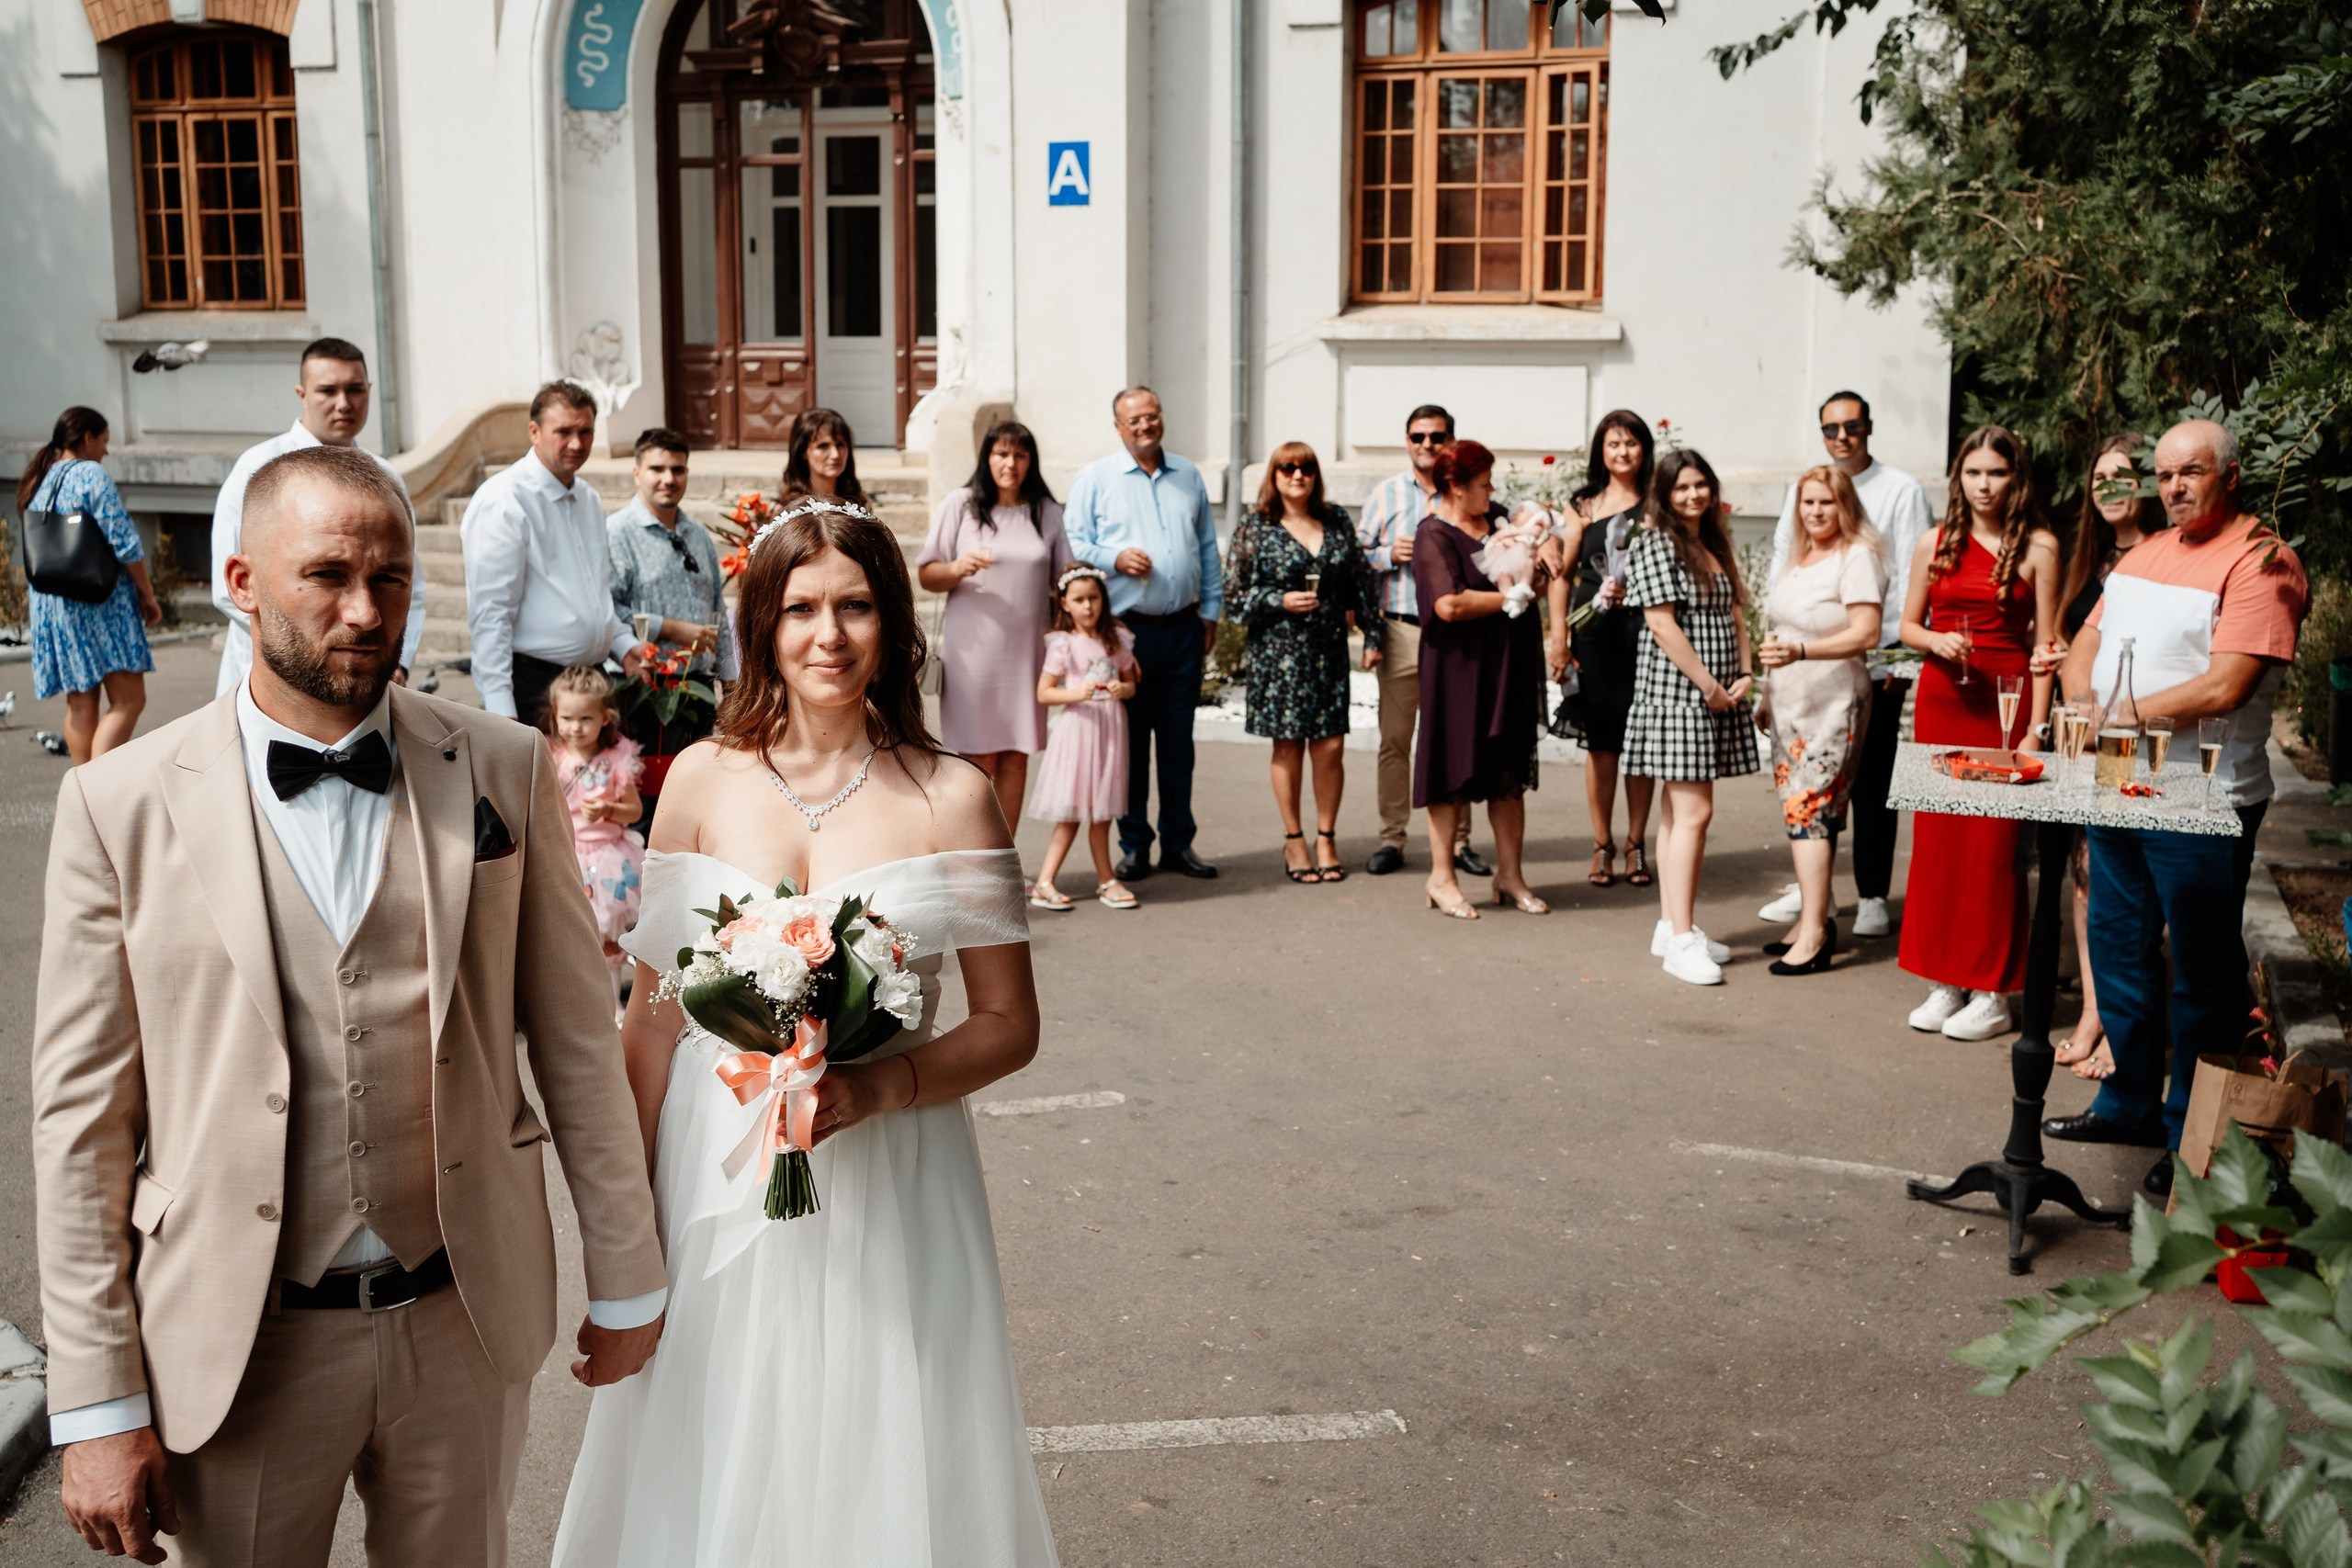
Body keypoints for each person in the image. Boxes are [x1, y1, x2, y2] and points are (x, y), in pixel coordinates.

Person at [34, 445, 666, 1568]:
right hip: (236, 1341)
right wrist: (93, 1401)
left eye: (391, 580)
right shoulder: (115, 803)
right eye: (327, 576)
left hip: (459, 1317)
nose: (366, 611)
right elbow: (81, 1126)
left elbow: (576, 1045)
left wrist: (627, 1280)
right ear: (241, 584)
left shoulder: (504, 765)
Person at [552, 497, 1057, 1567]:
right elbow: (648, 1013)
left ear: (896, 628)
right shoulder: (694, 779)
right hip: (714, 1166)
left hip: (890, 1172)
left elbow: (1011, 1026)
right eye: (800, 609)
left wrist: (878, 1089)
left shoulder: (955, 797)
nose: (828, 636)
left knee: (881, 1435)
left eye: (857, 607)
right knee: (715, 1421)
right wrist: (621, 1238)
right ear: (760, 626)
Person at [2045, 419, 2308, 1199]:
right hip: (2119, 780)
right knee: (2120, 947)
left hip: (2202, 794)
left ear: (2230, 473)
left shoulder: (2264, 559)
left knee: (2201, 975)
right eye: (2163, 475)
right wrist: (2083, 701)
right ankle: (2127, 1102)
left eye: (2190, 471)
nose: (2174, 487)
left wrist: (2120, 713)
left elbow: (2227, 685)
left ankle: (2193, 1129)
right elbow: (2082, 646)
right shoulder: (2145, 554)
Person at [1895, 425, 2062, 1041]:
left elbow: (2044, 645)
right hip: (1943, 699)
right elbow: (1909, 626)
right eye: (1973, 473)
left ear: (2015, 479)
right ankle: (1945, 980)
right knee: (1939, 845)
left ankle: (1992, 991)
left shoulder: (2040, 545)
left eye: (1996, 473)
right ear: (1957, 478)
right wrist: (1935, 638)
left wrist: (2036, 732)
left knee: (1992, 852)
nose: (1984, 484)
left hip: (2007, 703)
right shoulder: (1932, 542)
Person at [1759, 392, 1937, 938]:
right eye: (1831, 428)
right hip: (1798, 675)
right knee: (1815, 795)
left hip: (1870, 662)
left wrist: (1895, 661)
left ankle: (1873, 893)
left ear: (1868, 428)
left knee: (1870, 783)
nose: (1843, 436)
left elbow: (1911, 575)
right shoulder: (1804, 491)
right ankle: (1819, 897)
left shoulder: (1899, 490)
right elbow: (1781, 567)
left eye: (1852, 426)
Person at [1064, 386, 1224, 881]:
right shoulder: (1096, 478)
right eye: (1133, 420)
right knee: (1129, 744)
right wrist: (1114, 558)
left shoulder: (1188, 474)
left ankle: (1179, 843)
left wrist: (1212, 612)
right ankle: (1134, 846)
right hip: (1125, 634)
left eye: (1151, 416)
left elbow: (1206, 546)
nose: (1144, 426)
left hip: (1183, 628)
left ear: (1162, 418)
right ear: (1118, 427)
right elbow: (1074, 543)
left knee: (1179, 743)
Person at [2045, 432, 2166, 1080]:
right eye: (2101, 480)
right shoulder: (2089, 555)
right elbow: (2076, 642)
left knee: (2125, 887)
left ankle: (2123, 1028)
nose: (2111, 491)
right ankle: (2094, 1011)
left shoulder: (2162, 555)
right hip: (2083, 739)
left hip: (2137, 741)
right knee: (2085, 879)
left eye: (2125, 478)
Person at [212, 337, 422, 696]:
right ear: (302, 393)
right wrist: (313, 650)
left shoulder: (385, 476)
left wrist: (398, 660)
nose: (344, 404)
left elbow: (407, 579)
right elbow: (227, 588)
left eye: (355, 390)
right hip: (274, 683)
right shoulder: (257, 467)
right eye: (328, 390)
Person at [1623, 449, 1759, 985]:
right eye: (1680, 487)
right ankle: (1681, 939)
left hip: (1715, 693)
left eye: (1700, 484)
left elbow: (1735, 614)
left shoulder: (1711, 542)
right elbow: (1661, 624)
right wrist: (1708, 686)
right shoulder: (1656, 543)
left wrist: (1744, 674)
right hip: (1680, 695)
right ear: (1663, 493)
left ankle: (1670, 925)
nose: (1692, 495)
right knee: (1695, 814)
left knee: (1677, 815)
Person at [1227, 442, 1382, 884]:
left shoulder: (1335, 519)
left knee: (1331, 746)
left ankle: (1326, 836)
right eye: (1287, 468)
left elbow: (1361, 581)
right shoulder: (1256, 525)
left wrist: (1372, 634)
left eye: (1306, 468)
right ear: (1274, 476)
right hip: (1279, 654)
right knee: (1289, 746)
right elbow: (1234, 596)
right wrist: (1279, 599)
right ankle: (1294, 838)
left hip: (1328, 647)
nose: (1297, 475)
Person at [1755, 466, 1888, 975]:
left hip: (1833, 701)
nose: (1815, 512)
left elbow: (1867, 632)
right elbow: (1781, 632)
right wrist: (1769, 690)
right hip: (1790, 700)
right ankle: (1813, 916)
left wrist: (1803, 651)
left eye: (1826, 502)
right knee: (1801, 810)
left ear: (1845, 505)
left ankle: (1815, 933)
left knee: (1811, 809)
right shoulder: (1800, 556)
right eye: (1808, 502)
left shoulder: (1857, 556)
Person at [1412, 440, 1548, 920]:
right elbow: (1447, 604)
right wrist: (1514, 599)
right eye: (1484, 483)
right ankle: (1442, 877)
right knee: (1450, 774)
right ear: (1455, 485)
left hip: (1507, 663)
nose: (1493, 490)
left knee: (1508, 774)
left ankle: (1509, 876)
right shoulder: (1433, 534)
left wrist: (1539, 573)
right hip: (1458, 669)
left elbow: (1534, 563)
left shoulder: (1500, 520)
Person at [916, 418, 1073, 829]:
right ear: (987, 457)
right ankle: (972, 860)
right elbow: (928, 574)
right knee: (976, 759)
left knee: (1016, 758)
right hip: (973, 654)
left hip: (1026, 655)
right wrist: (957, 567)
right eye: (1002, 453)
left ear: (1031, 461)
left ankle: (1006, 862)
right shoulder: (962, 504)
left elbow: (1067, 581)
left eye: (1020, 455)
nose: (1011, 463)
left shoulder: (1046, 511)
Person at [462, 380, 647, 723]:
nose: (577, 443)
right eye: (564, 431)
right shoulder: (503, 500)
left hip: (592, 681)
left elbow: (594, 592)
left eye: (586, 432)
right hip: (533, 686)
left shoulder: (589, 498)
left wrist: (623, 645)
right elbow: (491, 613)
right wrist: (502, 711)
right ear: (534, 431)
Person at [1355, 403, 1480, 876]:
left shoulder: (1466, 492)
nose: (1427, 445)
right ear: (1406, 441)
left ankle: (1461, 843)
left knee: (1456, 739)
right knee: (1396, 739)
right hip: (1403, 628)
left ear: (1451, 440)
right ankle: (1393, 839)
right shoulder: (1385, 495)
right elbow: (1355, 557)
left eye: (1436, 436)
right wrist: (1388, 553)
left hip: (1457, 632)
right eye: (1418, 437)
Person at [15, 407, 160, 763]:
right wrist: (148, 594)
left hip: (54, 603)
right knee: (129, 700)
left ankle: (82, 795)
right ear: (87, 438)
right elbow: (125, 544)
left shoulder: (40, 478)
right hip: (99, 601)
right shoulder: (91, 475)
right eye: (105, 441)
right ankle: (98, 791)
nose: (106, 451)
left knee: (81, 704)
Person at [1560, 410, 1657, 889]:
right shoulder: (1583, 504)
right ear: (1601, 450)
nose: (1623, 452)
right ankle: (1602, 843)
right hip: (1593, 633)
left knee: (1639, 745)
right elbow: (1561, 572)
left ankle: (1636, 844)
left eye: (1631, 443)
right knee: (1601, 745)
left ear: (1644, 449)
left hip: (1646, 632)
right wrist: (1557, 637)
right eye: (1613, 444)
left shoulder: (1660, 502)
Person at [607, 428, 737, 743]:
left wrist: (731, 682)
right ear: (637, 474)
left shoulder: (697, 534)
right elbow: (605, 610)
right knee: (650, 790)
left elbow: (717, 611)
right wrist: (669, 628)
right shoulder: (617, 533)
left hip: (699, 686)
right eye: (657, 469)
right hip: (644, 685)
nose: (668, 478)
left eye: (677, 469)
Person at [1028, 565, 1140, 910]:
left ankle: (1106, 879)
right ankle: (1045, 882)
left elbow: (1131, 683)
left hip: (1109, 731)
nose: (1088, 606)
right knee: (1073, 813)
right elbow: (1044, 693)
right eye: (1079, 600)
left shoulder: (1117, 639)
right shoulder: (1064, 644)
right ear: (1065, 604)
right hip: (1079, 732)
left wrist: (1123, 689)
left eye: (1093, 598)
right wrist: (1077, 692)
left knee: (1104, 812)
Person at [542, 664, 646, 997]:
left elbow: (635, 811)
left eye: (585, 719)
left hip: (607, 861)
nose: (575, 728)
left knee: (608, 937)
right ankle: (576, 1001)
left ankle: (612, 1007)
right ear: (555, 717)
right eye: (567, 719)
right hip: (567, 856)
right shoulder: (551, 757)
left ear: (605, 717)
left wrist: (608, 810)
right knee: (572, 935)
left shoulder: (617, 759)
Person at [777, 406, 874, 512]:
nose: (835, 455)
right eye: (823, 446)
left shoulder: (860, 505)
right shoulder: (788, 510)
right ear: (803, 452)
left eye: (840, 445)